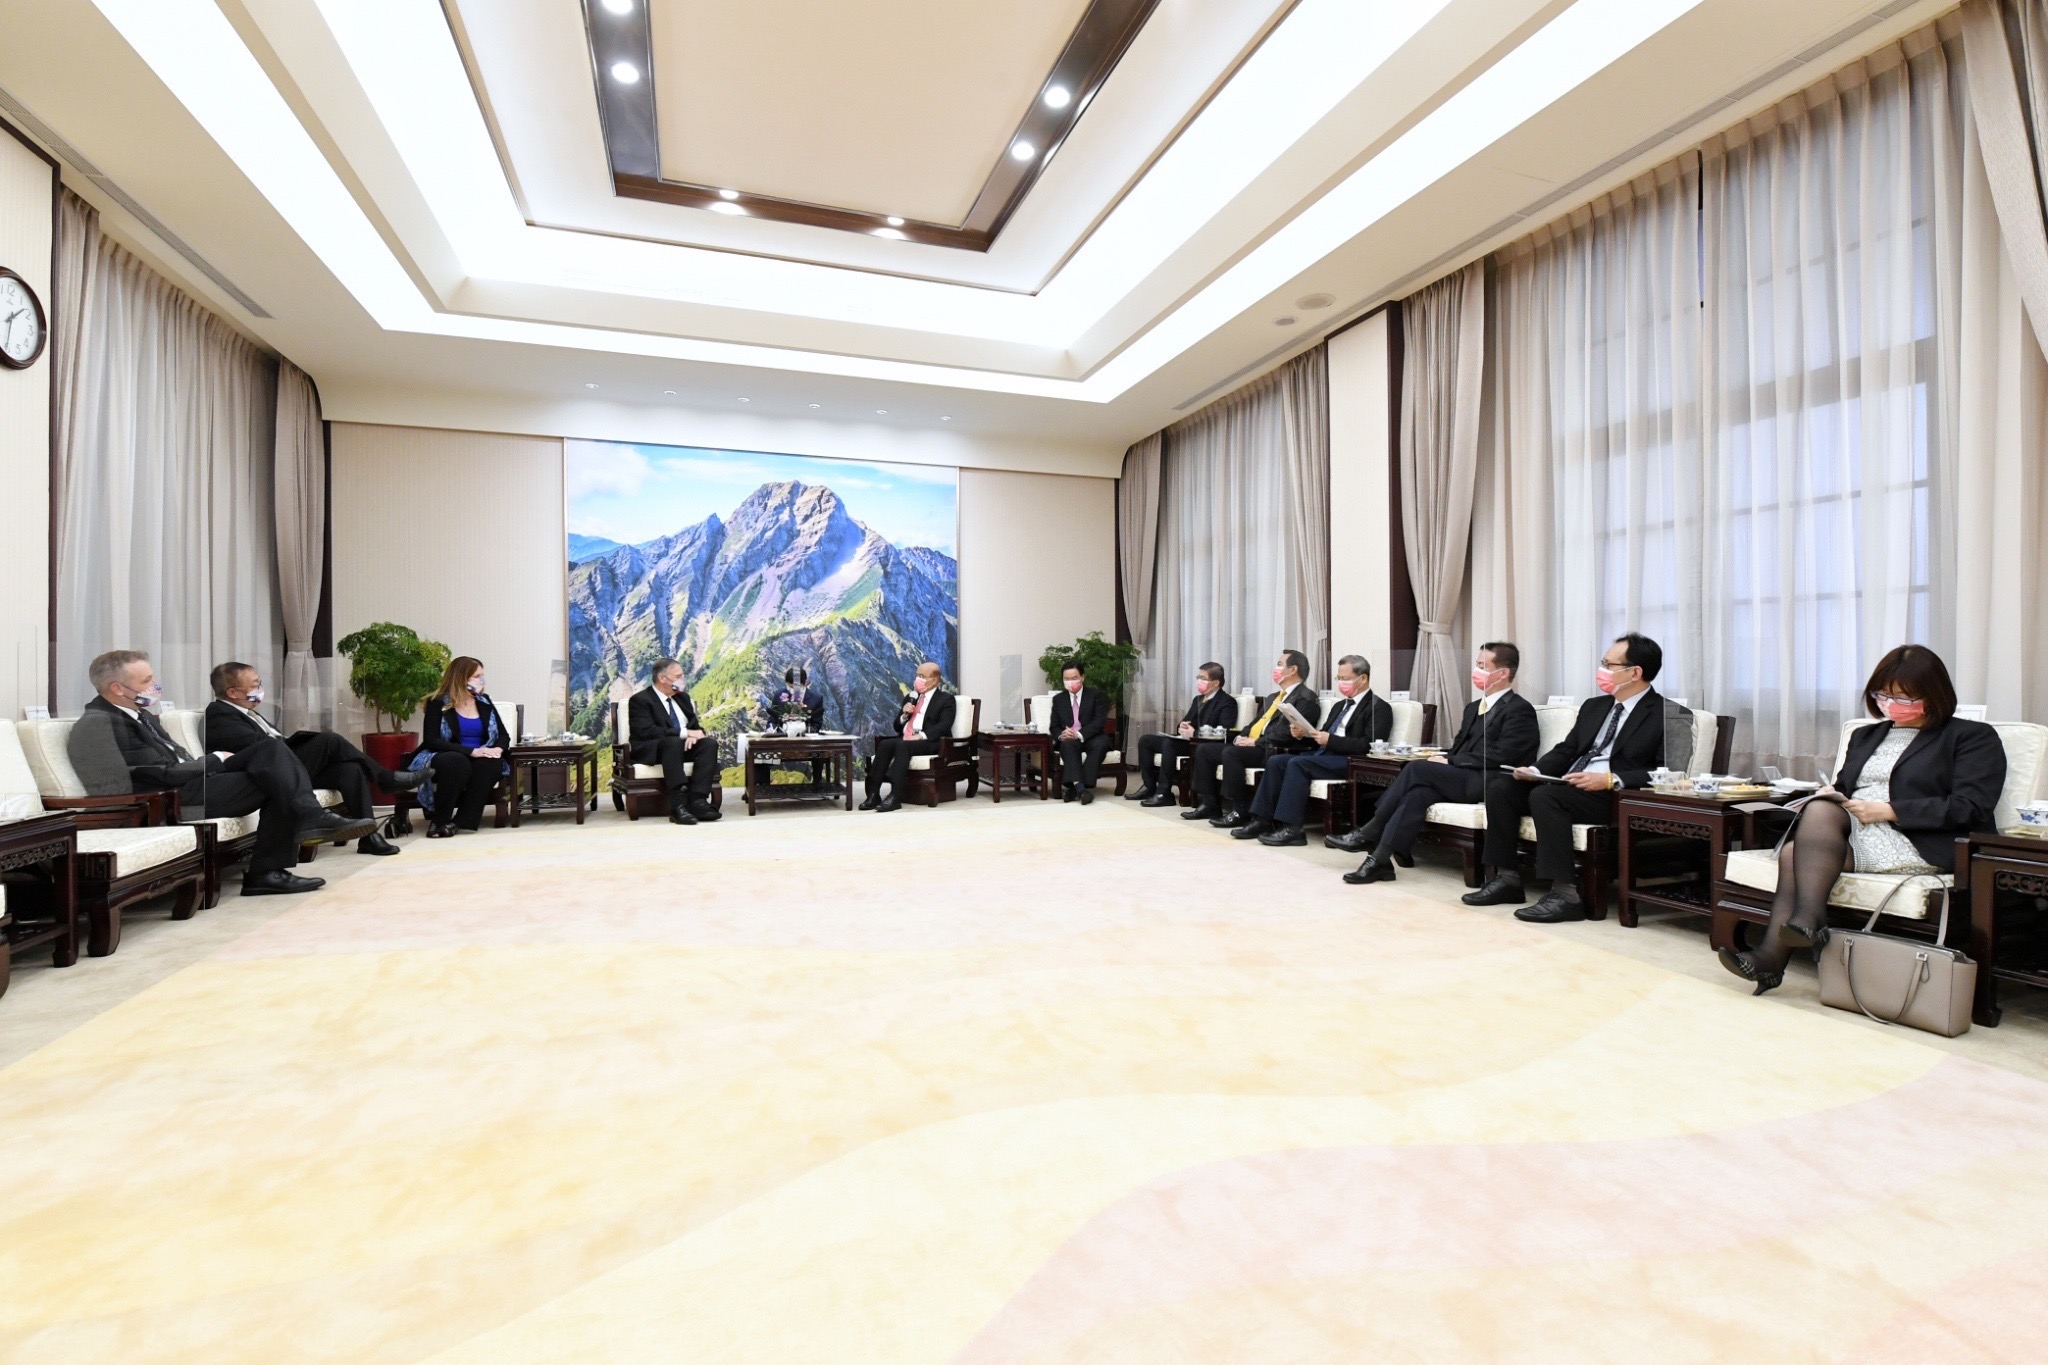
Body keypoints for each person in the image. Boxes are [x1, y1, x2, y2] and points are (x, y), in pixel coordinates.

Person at [1719, 646, 2006, 995]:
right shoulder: (1866, 735)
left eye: (1903, 697)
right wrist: (1831, 793)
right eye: (1882, 695)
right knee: (1815, 816)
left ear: (1934, 694)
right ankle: (1796, 933)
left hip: (1920, 837)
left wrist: (1890, 810)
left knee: (1796, 851)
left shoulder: (1971, 737)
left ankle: (1780, 948)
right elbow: (1847, 787)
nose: (1890, 704)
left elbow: (1971, 806)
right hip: (1858, 827)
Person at [81, 649, 372, 896]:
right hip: (173, 797)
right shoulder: (98, 724)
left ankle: (280, 857)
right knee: (273, 767)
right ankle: (276, 860)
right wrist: (212, 762)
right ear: (117, 688)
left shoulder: (140, 716)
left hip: (194, 782)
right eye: (146, 681)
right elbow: (140, 778)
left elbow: (169, 763)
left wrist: (208, 764)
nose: (154, 686)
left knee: (272, 754)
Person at [1464, 632, 1676, 921]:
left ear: (1635, 672)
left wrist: (1611, 779)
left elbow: (1669, 773)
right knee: (1502, 788)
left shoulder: (1668, 714)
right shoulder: (1594, 706)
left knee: (1546, 796)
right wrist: (1535, 770)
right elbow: (1567, 750)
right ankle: (1506, 879)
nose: (1602, 670)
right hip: (1572, 785)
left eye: (1609, 664)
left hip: (1612, 796)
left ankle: (1565, 895)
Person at [1335, 643, 1540, 883]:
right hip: (1463, 775)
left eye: (1483, 666)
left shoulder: (1519, 709)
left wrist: (1450, 760)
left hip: (1492, 781)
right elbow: (1459, 748)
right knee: (1418, 794)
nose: (1476, 671)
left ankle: (1371, 829)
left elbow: (1505, 755)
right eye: (1477, 665)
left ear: (1503, 673)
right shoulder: (1473, 708)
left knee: (1416, 769)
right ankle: (1379, 860)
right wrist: (1441, 756)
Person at [204, 661, 421, 856]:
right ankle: (384, 778)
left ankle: (369, 837)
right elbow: (260, 747)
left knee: (350, 770)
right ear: (232, 692)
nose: (260, 689)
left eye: (259, 683)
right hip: (264, 775)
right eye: (254, 685)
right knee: (328, 741)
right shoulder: (218, 714)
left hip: (283, 768)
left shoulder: (249, 713)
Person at [1234, 654, 1393, 846]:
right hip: (1324, 756)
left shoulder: (1378, 707)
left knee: (1298, 763)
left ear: (1363, 678)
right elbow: (1321, 738)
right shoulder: (1340, 705)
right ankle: (1262, 820)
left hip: (1350, 760)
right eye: (1339, 678)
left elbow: (1368, 745)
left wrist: (1330, 740)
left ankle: (1292, 829)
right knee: (1276, 761)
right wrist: (1303, 735)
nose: (1341, 683)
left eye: (1346, 678)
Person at [1185, 650, 1322, 827]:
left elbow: (1287, 734)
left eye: (1280, 664)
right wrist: (1241, 736)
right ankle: (1210, 804)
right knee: (1205, 750)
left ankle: (1240, 810)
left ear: (1293, 669)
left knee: (1232, 753)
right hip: (1255, 744)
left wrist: (1256, 742)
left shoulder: (1306, 698)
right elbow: (1255, 723)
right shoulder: (1274, 697)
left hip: (1271, 748)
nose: (1276, 668)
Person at [409, 656, 514, 838]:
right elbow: (432, 740)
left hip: (481, 755)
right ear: (461, 678)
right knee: (457, 762)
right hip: (448, 754)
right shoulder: (438, 702)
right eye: (477, 676)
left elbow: (504, 736)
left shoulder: (484, 702)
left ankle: (460, 822)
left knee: (490, 764)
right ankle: (440, 820)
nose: (481, 680)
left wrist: (497, 750)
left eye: (482, 676)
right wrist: (471, 751)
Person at [628, 657, 724, 826]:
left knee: (709, 744)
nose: (682, 680)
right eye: (678, 677)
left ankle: (698, 801)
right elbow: (647, 731)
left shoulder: (682, 698)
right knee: (672, 742)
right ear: (662, 678)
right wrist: (684, 733)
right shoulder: (641, 700)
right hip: (653, 749)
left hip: (681, 747)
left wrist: (695, 735)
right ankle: (677, 805)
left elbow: (696, 727)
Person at [1126, 663, 1235, 806]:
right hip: (1187, 741)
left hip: (1203, 745)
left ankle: (1164, 793)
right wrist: (1182, 727)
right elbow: (1185, 722)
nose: (1199, 681)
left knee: (1168, 743)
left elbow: (1224, 731)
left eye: (1203, 678)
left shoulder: (1227, 702)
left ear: (1216, 683)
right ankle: (1149, 786)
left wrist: (1195, 733)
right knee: (1146, 740)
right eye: (1198, 677)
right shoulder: (1198, 699)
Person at [863, 661, 955, 813]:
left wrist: (921, 736)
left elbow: (944, 725)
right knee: (885, 744)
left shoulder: (946, 699)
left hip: (930, 741)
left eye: (922, 676)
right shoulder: (911, 697)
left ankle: (895, 796)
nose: (917, 679)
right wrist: (904, 716)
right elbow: (897, 727)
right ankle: (874, 794)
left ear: (934, 680)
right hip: (907, 739)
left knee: (902, 745)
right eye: (917, 675)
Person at [756, 664, 829, 791]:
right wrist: (770, 728)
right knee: (760, 748)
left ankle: (817, 784)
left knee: (819, 751)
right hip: (781, 738)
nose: (792, 690)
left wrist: (802, 729)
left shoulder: (816, 698)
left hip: (805, 740)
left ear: (805, 683)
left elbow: (817, 724)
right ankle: (762, 786)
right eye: (789, 686)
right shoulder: (779, 694)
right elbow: (772, 719)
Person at [1048, 662, 1112, 804]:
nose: (1070, 682)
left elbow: (1099, 722)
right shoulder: (1059, 699)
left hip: (1092, 737)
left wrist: (1079, 734)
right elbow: (1054, 726)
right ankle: (1081, 790)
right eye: (1067, 679)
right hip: (1070, 739)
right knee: (1068, 745)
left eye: (1074, 678)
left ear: (1082, 677)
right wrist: (1062, 734)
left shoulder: (1096, 695)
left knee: (1100, 744)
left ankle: (1075, 789)